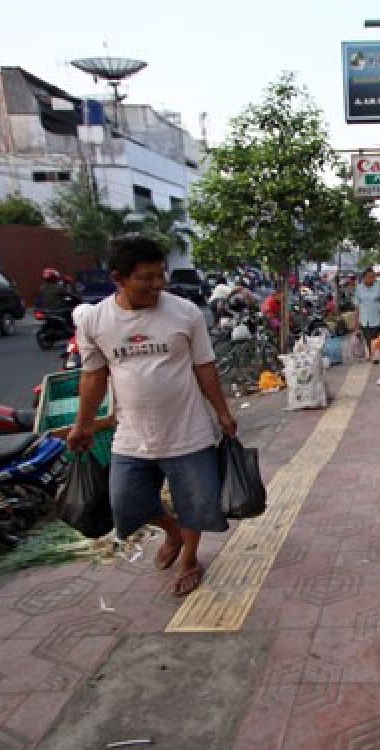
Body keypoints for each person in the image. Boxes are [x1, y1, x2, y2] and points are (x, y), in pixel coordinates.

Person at [68, 235, 237, 598]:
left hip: (188, 430)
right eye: (146, 277)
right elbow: (94, 376)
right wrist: (82, 424)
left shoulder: (184, 312)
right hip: (131, 436)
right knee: (126, 503)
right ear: (118, 278)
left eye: (161, 275)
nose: (158, 285)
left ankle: (190, 558)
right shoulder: (95, 319)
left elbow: (204, 367)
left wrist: (223, 412)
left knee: (195, 503)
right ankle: (172, 532)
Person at [353, 268, 380, 364]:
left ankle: (374, 355)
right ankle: (372, 355)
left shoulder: (378, 286)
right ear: (364, 278)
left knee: (376, 337)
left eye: (373, 277)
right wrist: (356, 321)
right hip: (364, 318)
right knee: (368, 338)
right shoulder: (359, 288)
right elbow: (357, 305)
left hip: (376, 316)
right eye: (369, 277)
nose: (371, 279)